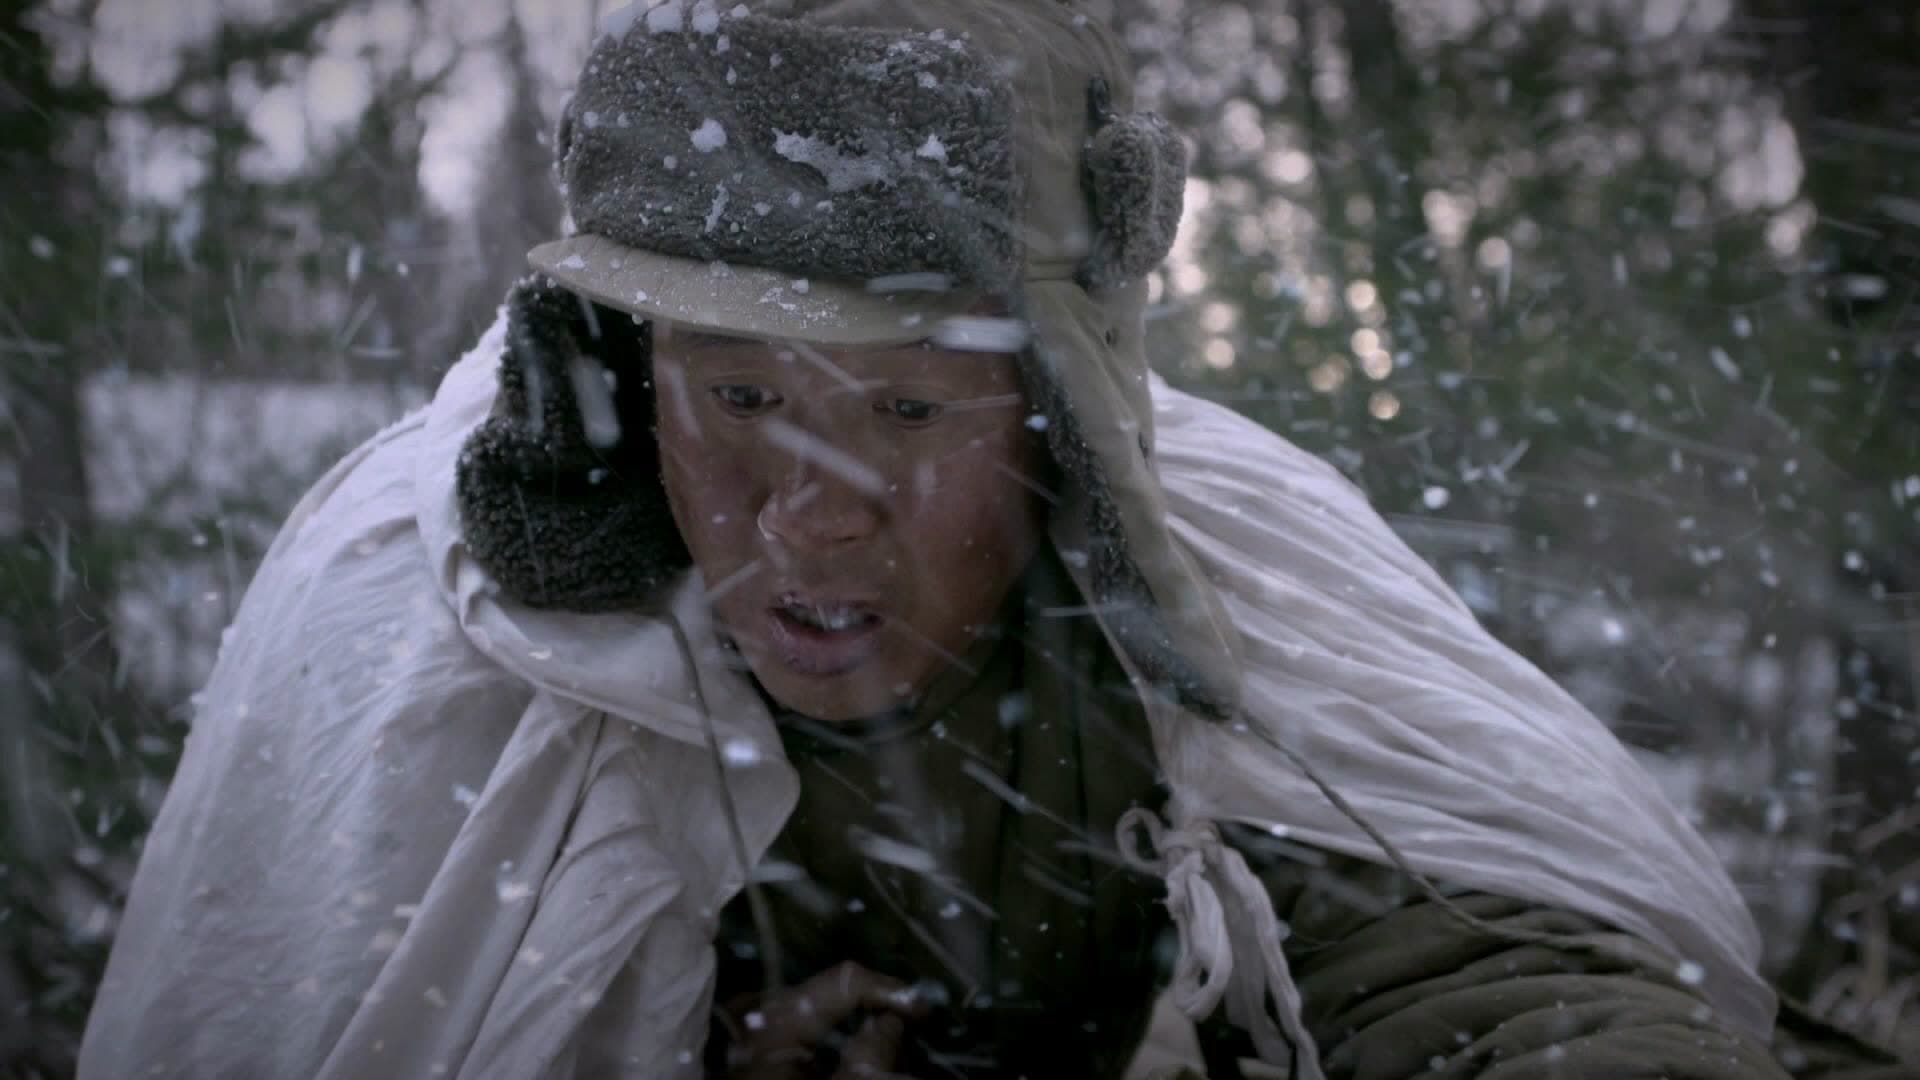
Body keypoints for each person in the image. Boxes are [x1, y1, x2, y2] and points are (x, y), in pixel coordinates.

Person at [77, 1, 1910, 1077]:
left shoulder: (1224, 589)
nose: (812, 508)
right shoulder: (428, 623)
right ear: (626, 375)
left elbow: (1501, 976)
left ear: (1059, 413)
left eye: (901, 412)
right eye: (738, 395)